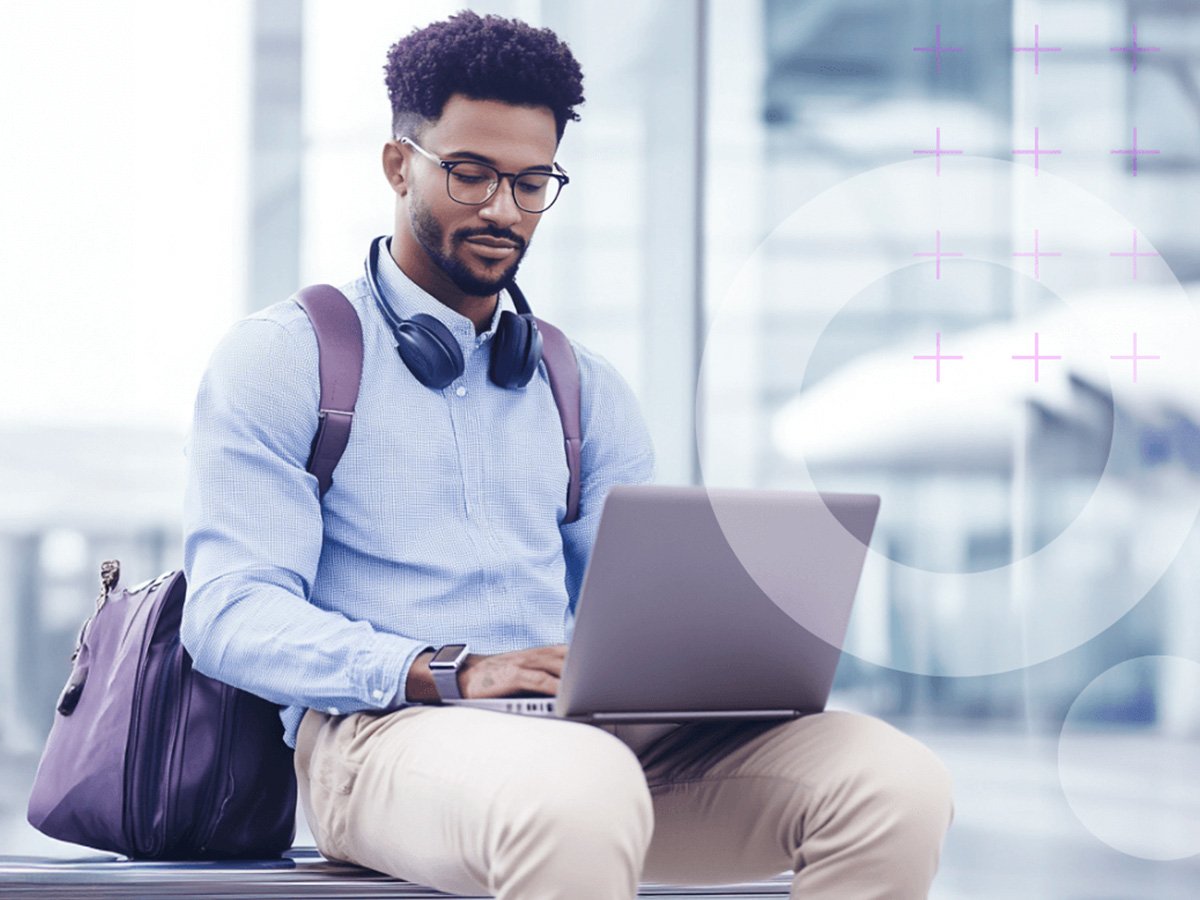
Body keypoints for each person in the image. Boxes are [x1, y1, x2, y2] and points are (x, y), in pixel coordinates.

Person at [181, 10, 952, 899]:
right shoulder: (284, 357)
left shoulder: (583, 387)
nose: (504, 210)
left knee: (894, 785)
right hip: (380, 737)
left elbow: (636, 613)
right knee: (577, 791)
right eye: (470, 175)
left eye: (532, 181)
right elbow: (230, 615)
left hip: (585, 743)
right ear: (399, 165)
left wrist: (706, 667)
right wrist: (451, 671)